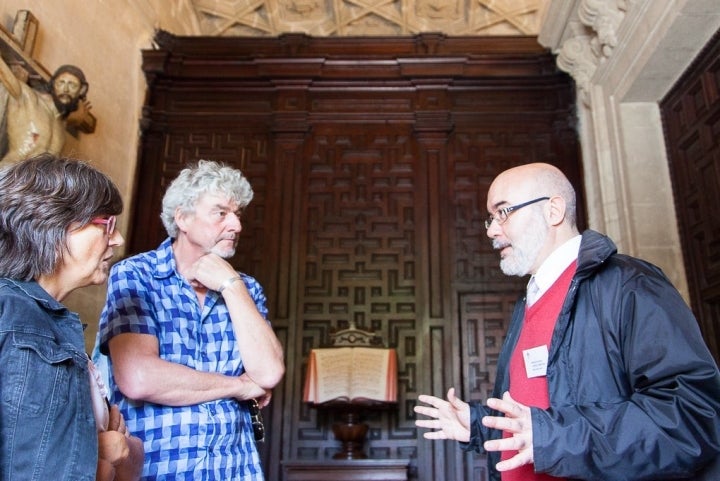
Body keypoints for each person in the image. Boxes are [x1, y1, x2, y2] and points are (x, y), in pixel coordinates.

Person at [414, 162, 720, 480]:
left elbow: (692, 417)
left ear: (553, 210)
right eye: (491, 218)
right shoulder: (528, 301)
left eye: (503, 212)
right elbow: (537, 420)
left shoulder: (629, 284)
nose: (492, 229)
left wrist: (553, 437)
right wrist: (478, 426)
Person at [96, 159, 285, 480]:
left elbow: (267, 373)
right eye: (221, 213)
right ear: (182, 217)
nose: (236, 225)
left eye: (238, 214)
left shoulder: (248, 288)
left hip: (234, 467)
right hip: (158, 466)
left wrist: (231, 285)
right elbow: (139, 378)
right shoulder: (137, 274)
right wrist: (238, 386)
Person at [0, 154, 143, 481]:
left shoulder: (53, 325)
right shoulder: (11, 315)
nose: (118, 239)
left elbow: (126, 457)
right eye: (107, 224)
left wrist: (111, 450)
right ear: (52, 225)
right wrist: (103, 451)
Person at [0, 55, 90, 164]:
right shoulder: (29, 98)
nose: (65, 89)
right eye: (61, 83)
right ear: (52, 85)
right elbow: (3, 73)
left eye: (73, 85)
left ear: (80, 91)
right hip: (11, 173)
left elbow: (77, 117)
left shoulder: (62, 123)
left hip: (38, 180)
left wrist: (81, 113)